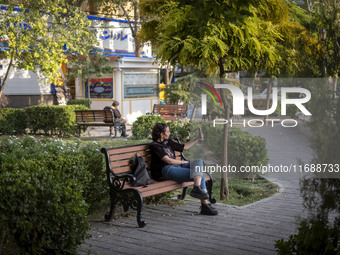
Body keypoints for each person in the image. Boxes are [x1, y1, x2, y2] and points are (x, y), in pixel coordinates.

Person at [149, 123, 218, 215]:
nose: (170, 133)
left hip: (176, 166)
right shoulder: (155, 146)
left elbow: (184, 147)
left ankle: (197, 188)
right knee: (199, 173)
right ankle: (204, 205)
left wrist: (197, 138)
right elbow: (168, 161)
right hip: (166, 170)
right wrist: (182, 162)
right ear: (162, 134)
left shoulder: (168, 142)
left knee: (199, 162)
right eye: (168, 131)